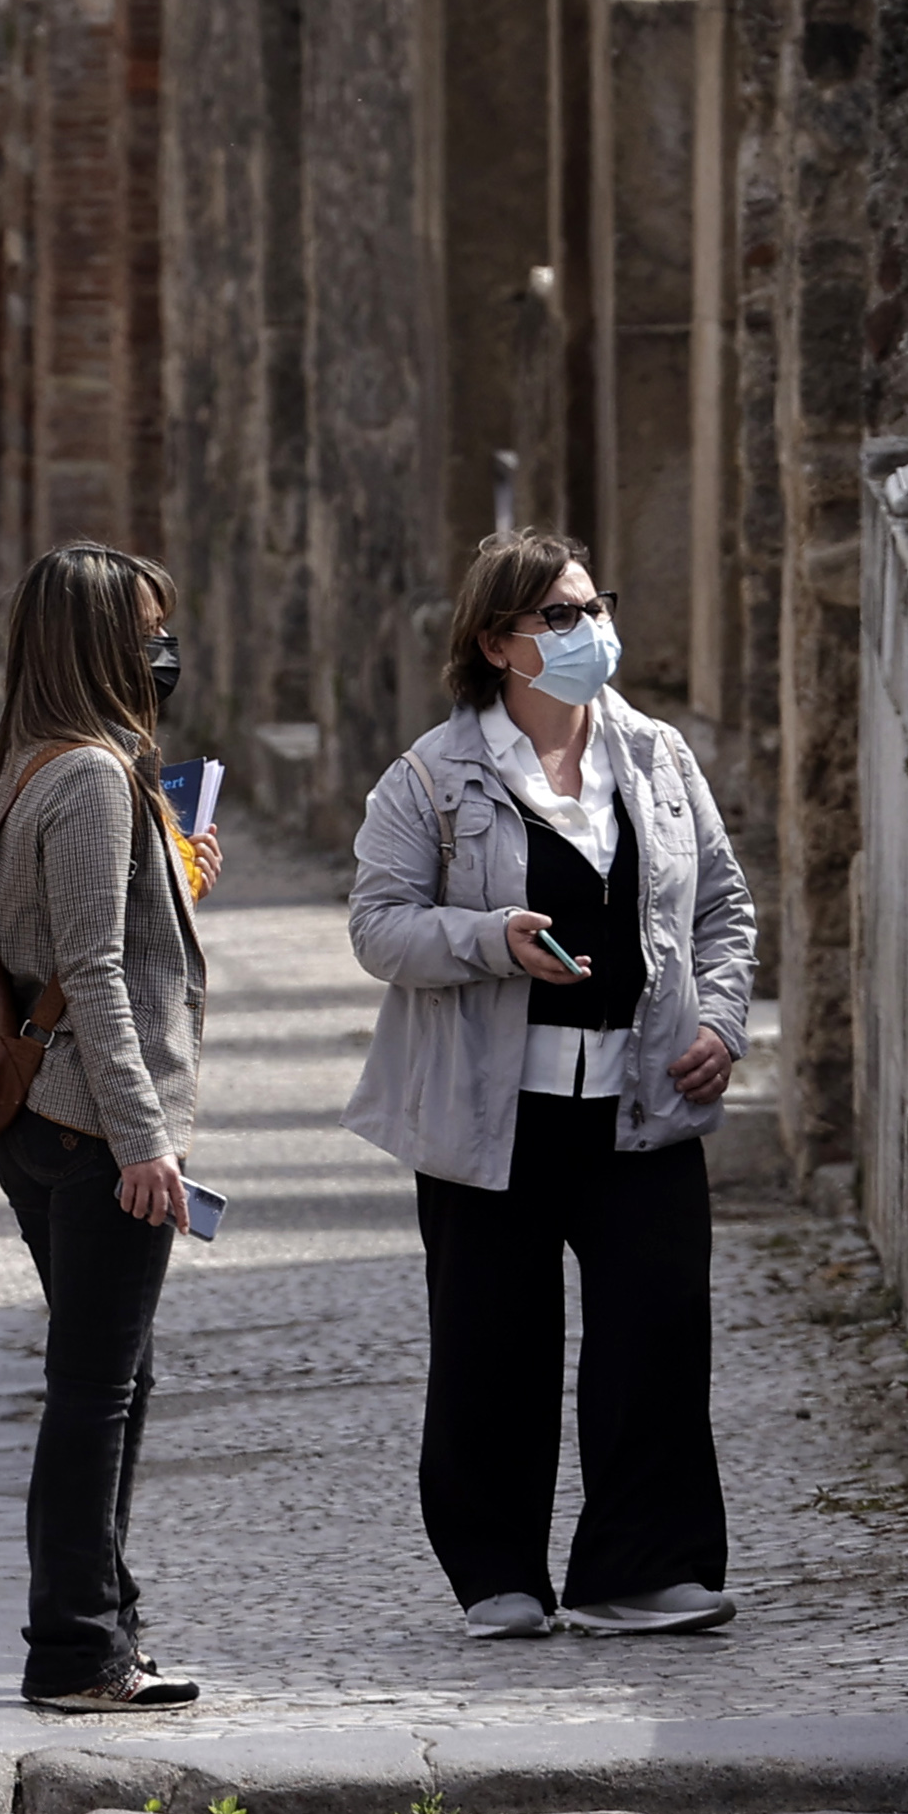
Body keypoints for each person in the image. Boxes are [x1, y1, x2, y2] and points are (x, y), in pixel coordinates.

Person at [346, 530, 754, 1640]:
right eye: (561, 618)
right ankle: (498, 1573)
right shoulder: (431, 776)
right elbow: (378, 929)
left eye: (594, 606)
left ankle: (642, 1567)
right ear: (499, 643)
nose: (590, 632)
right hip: (493, 1115)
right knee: (493, 1346)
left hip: (642, 1100)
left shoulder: (659, 757)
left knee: (654, 1336)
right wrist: (487, 936)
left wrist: (721, 1020)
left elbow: (722, 908)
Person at [0, 540, 214, 1714]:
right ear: (101, 645)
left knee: (111, 1377)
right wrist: (145, 1141)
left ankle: (105, 1623)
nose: (163, 654)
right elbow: (96, 970)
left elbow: (80, 933)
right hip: (87, 1124)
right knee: (96, 1391)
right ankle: (75, 1646)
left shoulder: (26, 764)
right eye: (146, 632)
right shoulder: (91, 778)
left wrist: (179, 875)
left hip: (40, 1118)